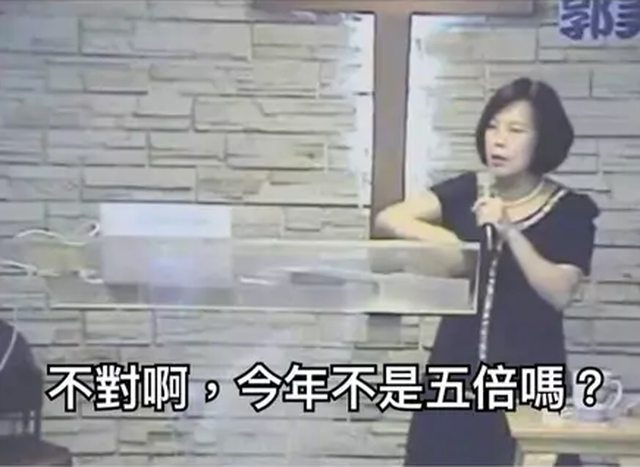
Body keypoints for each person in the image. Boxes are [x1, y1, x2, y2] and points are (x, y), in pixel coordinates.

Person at [375, 77, 600, 466]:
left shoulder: (570, 210)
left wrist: (508, 229)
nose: (499, 140)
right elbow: (390, 218)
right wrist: (450, 245)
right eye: (493, 127)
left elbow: (560, 291)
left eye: (516, 130)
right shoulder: (468, 191)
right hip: (455, 374)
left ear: (543, 139)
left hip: (529, 381)